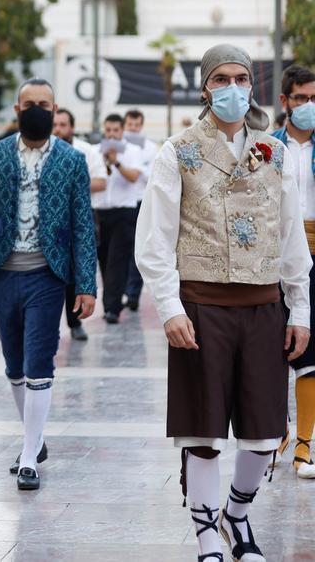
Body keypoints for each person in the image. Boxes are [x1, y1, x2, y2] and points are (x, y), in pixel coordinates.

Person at [136, 44, 311, 562]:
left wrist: (299, 308)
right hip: (201, 306)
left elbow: (290, 239)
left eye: (240, 78)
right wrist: (169, 307)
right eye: (221, 79)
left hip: (263, 307)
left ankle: (237, 513)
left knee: (263, 433)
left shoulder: (273, 152)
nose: (232, 88)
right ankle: (208, 533)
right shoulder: (179, 150)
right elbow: (155, 238)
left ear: (252, 85)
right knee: (204, 430)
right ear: (205, 88)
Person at [0, 78, 97, 491]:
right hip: (4, 272)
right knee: (14, 366)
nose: (37, 109)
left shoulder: (72, 160)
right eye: (29, 103)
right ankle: (36, 438)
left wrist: (87, 284)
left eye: (44, 104)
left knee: (39, 362)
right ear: (17, 109)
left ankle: (29, 455)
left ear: (55, 110)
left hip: (48, 276)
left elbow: (84, 224)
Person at [270, 64, 315, 479]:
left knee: (310, 355)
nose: (308, 106)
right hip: (273, 257)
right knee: (270, 351)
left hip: (314, 256)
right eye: (301, 98)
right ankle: (273, 436)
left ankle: (303, 445)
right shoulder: (267, 148)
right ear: (285, 102)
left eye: (314, 98)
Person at [52, 109, 107, 340]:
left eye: (63, 124)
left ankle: (75, 323)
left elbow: (101, 182)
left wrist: (70, 185)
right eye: (55, 124)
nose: (58, 129)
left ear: (71, 127)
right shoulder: (44, 151)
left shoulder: (85, 151)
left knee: (76, 273)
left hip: (80, 218)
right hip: (52, 220)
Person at [93, 114, 145, 324]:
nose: (112, 134)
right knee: (104, 261)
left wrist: (116, 162)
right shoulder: (96, 151)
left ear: (122, 131)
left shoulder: (133, 151)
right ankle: (112, 299)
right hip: (101, 212)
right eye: (108, 130)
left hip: (124, 213)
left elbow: (133, 177)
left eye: (116, 130)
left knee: (117, 260)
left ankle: (112, 308)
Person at [122, 109, 158, 313]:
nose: (133, 129)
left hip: (141, 203)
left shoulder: (151, 148)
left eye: (136, 125)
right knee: (121, 250)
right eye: (130, 125)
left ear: (141, 126)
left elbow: (149, 175)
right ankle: (120, 292)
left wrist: (135, 170)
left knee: (138, 250)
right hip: (123, 203)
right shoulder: (118, 148)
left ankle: (133, 293)